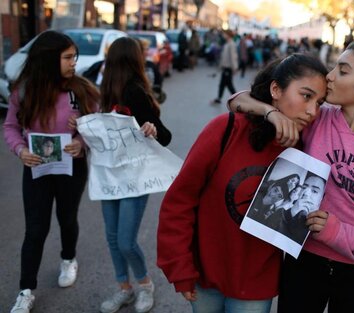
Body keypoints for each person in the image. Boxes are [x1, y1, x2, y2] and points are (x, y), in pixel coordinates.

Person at [228, 41, 354, 313]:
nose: (329, 76)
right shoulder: (319, 119)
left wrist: (338, 232)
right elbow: (237, 100)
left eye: (342, 71)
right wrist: (271, 113)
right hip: (304, 263)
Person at [157, 53, 328, 313]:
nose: (312, 111)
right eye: (306, 96)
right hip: (204, 277)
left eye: (320, 103)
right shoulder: (226, 129)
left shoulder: (309, 146)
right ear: (275, 89)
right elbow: (180, 200)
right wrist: (179, 266)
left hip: (256, 286)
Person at [3, 30, 100, 313]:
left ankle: (68, 258)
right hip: (37, 168)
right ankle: (25, 289)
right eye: (68, 57)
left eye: (75, 57)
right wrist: (20, 149)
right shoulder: (24, 90)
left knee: (66, 219)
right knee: (35, 229)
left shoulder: (82, 90)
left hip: (72, 167)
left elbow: (96, 126)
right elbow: (10, 127)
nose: (74, 63)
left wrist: (80, 140)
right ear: (48, 60)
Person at [98, 37, 172, 313]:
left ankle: (144, 285)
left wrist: (152, 129)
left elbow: (164, 136)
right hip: (109, 176)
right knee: (113, 238)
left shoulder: (136, 92)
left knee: (126, 240)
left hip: (135, 177)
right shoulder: (104, 92)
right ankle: (124, 289)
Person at [276, 172, 326, 244]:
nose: (305, 193)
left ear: (322, 198)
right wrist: (291, 213)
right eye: (304, 188)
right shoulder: (282, 213)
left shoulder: (320, 226)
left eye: (314, 191)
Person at [211, 29, 238, 104]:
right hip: (225, 67)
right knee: (223, 84)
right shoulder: (227, 43)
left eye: (224, 34)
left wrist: (234, 68)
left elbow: (233, 57)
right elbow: (224, 56)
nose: (223, 35)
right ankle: (219, 98)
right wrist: (221, 66)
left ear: (228, 35)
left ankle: (238, 99)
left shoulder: (231, 44)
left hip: (228, 68)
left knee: (229, 85)